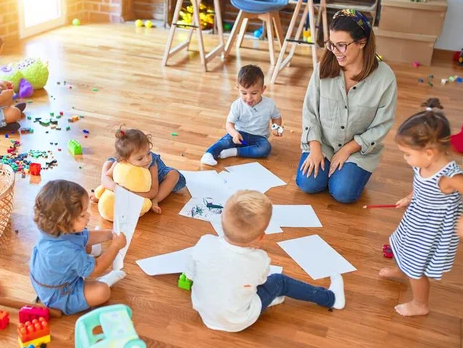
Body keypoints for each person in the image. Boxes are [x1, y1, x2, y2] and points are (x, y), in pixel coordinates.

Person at [380, 99, 463, 316]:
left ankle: (420, 304)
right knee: (403, 247)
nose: (405, 158)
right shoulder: (424, 164)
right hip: (417, 217)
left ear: (429, 153)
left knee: (417, 267)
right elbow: (420, 186)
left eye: (407, 154)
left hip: (432, 229)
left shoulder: (449, 177)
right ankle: (402, 272)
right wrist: (410, 197)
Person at [185, 190, 345, 332]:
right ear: (261, 237)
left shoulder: (204, 242)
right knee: (279, 282)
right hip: (238, 320)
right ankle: (331, 298)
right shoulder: (259, 259)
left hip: (205, 314)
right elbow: (259, 282)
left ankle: (264, 300)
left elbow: (191, 272)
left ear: (221, 220)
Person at [297, 9, 397, 203]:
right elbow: (310, 111)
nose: (335, 51)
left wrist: (348, 149)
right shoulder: (323, 68)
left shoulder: (385, 78)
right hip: (324, 142)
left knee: (344, 193)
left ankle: (345, 175)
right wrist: (315, 148)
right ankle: (332, 171)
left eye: (341, 45)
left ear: (362, 42)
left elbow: (382, 125)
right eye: (331, 45)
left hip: (357, 149)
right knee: (308, 184)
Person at [30, 180, 127, 315]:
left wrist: (110, 234)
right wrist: (115, 246)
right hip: (61, 295)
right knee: (103, 292)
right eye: (82, 215)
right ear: (63, 221)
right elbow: (97, 268)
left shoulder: (55, 229)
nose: (88, 216)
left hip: (55, 280)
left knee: (80, 240)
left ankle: (94, 250)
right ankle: (103, 282)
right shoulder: (64, 252)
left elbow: (85, 236)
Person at [200, 65, 282, 166]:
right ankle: (209, 154)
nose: (249, 98)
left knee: (265, 148)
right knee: (225, 141)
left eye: (254, 93)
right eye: (244, 93)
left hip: (259, 138)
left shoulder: (269, 104)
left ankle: (234, 152)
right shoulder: (237, 105)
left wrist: (276, 127)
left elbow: (276, 117)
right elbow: (229, 124)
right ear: (238, 88)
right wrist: (234, 134)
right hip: (239, 135)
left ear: (263, 89)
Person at [95, 127, 186, 214]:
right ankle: (104, 192)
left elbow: (154, 190)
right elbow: (106, 177)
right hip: (125, 180)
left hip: (154, 181)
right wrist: (114, 187)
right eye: (140, 158)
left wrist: (134, 194)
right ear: (125, 160)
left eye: (148, 153)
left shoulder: (152, 164)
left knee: (174, 174)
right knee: (108, 163)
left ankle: (155, 201)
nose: (147, 159)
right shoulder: (120, 162)